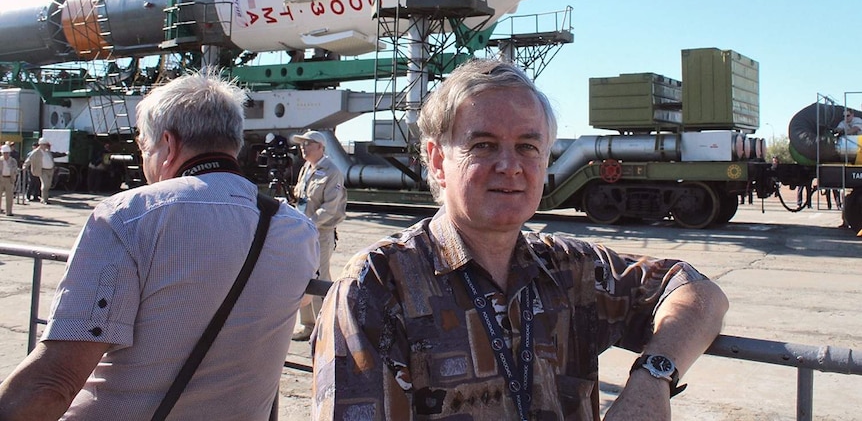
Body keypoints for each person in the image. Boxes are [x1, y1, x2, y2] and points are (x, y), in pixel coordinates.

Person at [311, 59, 729, 420]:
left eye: (528, 146)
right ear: (438, 161)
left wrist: (652, 379)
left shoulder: (571, 271)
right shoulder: (378, 287)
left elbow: (696, 291)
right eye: (484, 145)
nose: (510, 166)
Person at [0, 72, 320, 420]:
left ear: (168, 144)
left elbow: (53, 384)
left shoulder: (129, 216)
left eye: (144, 149)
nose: (145, 162)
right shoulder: (296, 229)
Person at [290, 129, 347, 342]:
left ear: (321, 148)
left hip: (320, 233)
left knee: (320, 277)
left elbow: (330, 208)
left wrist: (308, 223)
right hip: (303, 231)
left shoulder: (332, 171)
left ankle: (326, 326)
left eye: (309, 144)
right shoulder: (306, 168)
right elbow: (301, 198)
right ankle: (308, 325)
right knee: (303, 275)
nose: (303, 147)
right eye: (302, 144)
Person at [23, 138, 65, 204]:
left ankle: (45, 198)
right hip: (43, 170)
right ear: (41, 145)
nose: (46, 146)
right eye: (45, 145)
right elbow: (29, 159)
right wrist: (25, 166)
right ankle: (44, 199)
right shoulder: (36, 152)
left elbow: (54, 155)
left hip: (50, 170)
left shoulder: (47, 151)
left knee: (48, 185)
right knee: (45, 185)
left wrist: (64, 154)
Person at [0, 145, 19, 216]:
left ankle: (9, 211)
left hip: (9, 180)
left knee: (9, 197)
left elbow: (15, 169)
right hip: (1, 179)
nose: (6, 154)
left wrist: (14, 173)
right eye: (4, 153)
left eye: (7, 153)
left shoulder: (13, 161)